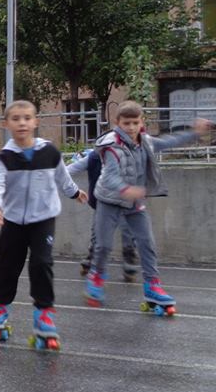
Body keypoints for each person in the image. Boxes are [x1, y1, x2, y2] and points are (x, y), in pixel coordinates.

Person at [86, 101, 213, 314]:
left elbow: (169, 141)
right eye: (126, 123)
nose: (131, 127)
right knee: (104, 245)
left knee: (147, 242)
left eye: (135, 123)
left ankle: (152, 285)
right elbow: (109, 177)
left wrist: (194, 133)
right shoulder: (112, 146)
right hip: (109, 200)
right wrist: (126, 189)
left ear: (141, 122)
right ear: (117, 123)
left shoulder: (145, 141)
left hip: (134, 202)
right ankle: (96, 277)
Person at [0, 100, 87, 349]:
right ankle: (0, 308)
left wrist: (74, 192)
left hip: (43, 218)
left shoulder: (49, 152)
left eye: (27, 118)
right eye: (16, 119)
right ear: (6, 124)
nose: (22, 123)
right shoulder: (4, 158)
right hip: (13, 220)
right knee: (8, 266)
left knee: (42, 263)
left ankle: (44, 314)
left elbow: (62, 176)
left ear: (35, 122)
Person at [67, 148, 138, 281]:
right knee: (98, 232)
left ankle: (129, 263)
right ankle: (91, 258)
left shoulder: (125, 155)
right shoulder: (93, 157)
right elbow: (68, 170)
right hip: (104, 202)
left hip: (122, 201)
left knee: (127, 231)